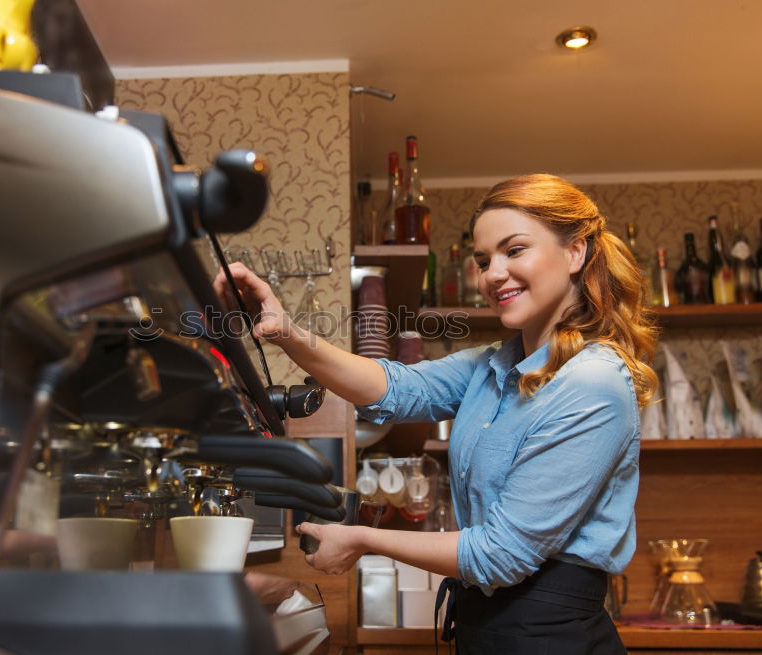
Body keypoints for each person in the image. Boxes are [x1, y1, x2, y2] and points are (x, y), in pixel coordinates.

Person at [215, 173, 658, 654]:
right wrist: (283, 330)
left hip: (551, 637)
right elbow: (397, 388)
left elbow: (499, 554)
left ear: (576, 253)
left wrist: (364, 540)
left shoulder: (591, 383)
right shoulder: (495, 364)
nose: (493, 274)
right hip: (489, 628)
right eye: (484, 260)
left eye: (514, 250)